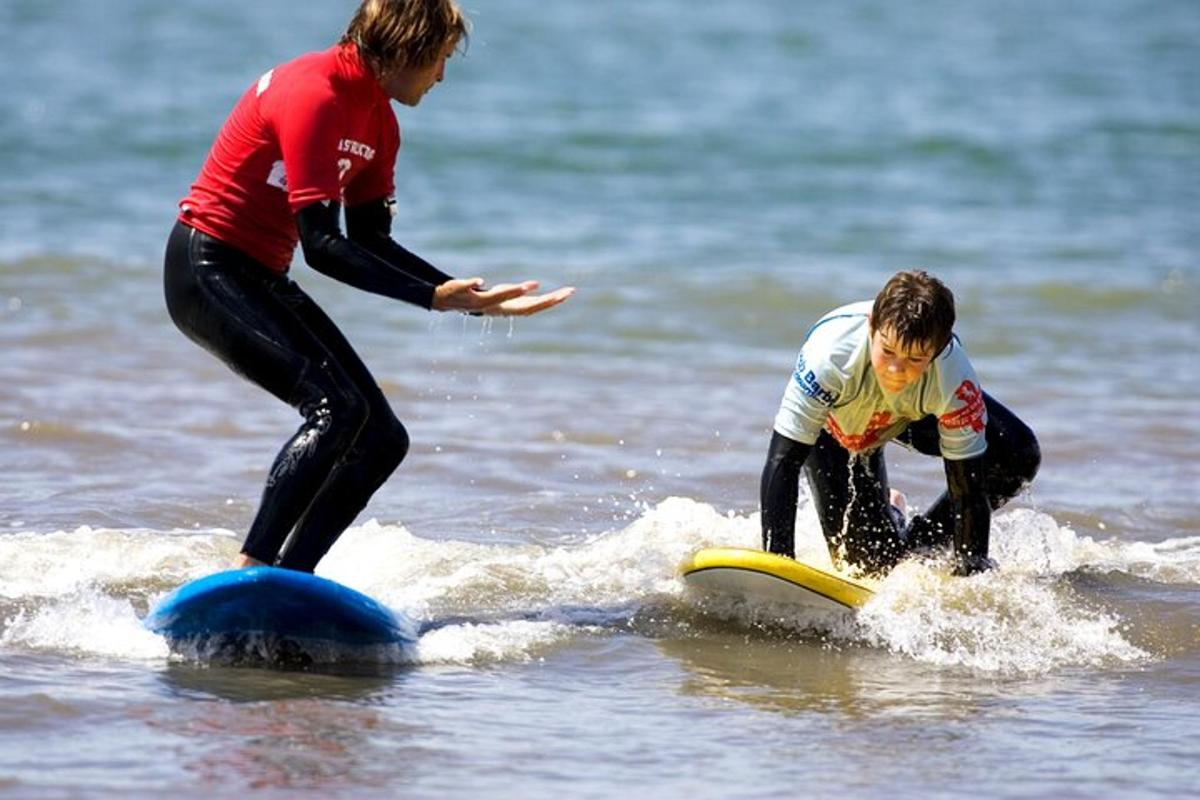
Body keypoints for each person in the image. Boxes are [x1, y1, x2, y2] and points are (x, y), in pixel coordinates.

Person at [164, 0, 573, 573]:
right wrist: (434, 298)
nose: (442, 76)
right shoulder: (314, 92)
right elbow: (324, 248)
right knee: (334, 409)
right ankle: (252, 569)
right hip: (208, 267)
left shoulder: (379, 122)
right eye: (441, 60)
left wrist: (465, 299)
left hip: (261, 275)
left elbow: (371, 242)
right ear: (409, 47)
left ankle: (291, 579)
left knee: (382, 436)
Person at [760, 270, 1039, 576]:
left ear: (938, 350)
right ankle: (891, 512)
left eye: (915, 359)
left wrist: (969, 578)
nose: (896, 370)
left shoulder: (954, 381)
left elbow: (967, 491)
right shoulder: (829, 356)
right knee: (869, 568)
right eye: (888, 351)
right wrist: (778, 567)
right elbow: (784, 460)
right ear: (872, 327)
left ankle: (917, 546)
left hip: (912, 418)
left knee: (1017, 453)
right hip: (839, 427)